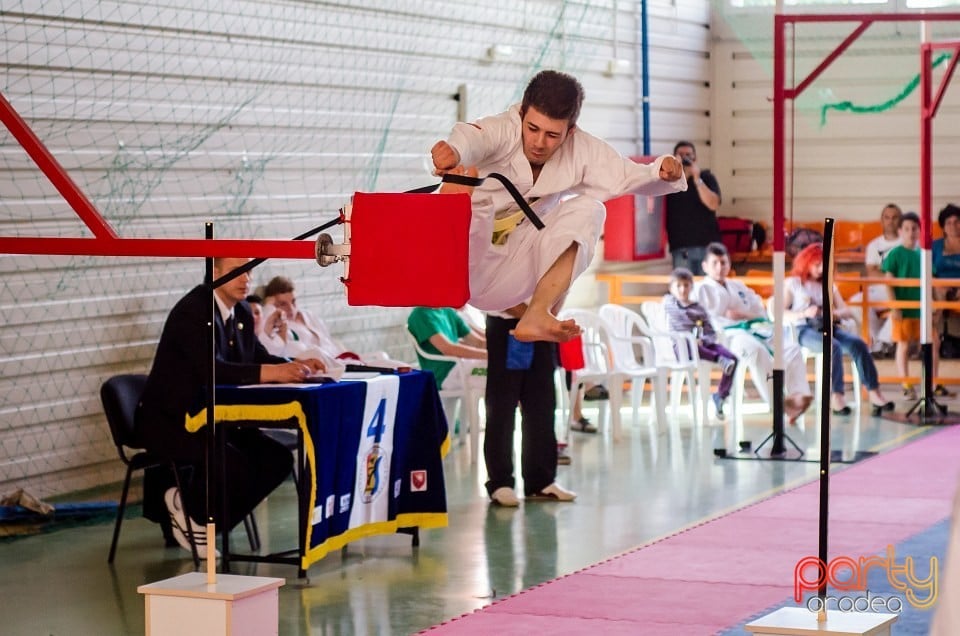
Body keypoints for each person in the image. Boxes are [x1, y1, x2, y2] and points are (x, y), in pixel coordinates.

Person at [430, 69, 685, 345]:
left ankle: (538, 312)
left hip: (509, 276)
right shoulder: (502, 130)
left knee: (590, 209)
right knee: (473, 205)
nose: (539, 143)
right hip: (460, 262)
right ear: (521, 116)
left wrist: (660, 172)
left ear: (570, 131)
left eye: (552, 135)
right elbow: (472, 138)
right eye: (533, 129)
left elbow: (627, 175)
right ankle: (454, 209)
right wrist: (454, 152)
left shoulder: (582, 151)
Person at [136, 258, 325, 558]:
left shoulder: (240, 312)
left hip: (216, 418)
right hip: (173, 421)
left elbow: (255, 357)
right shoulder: (194, 311)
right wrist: (271, 373)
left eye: (249, 271)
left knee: (276, 459)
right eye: (237, 271)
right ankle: (190, 512)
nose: (246, 278)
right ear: (215, 273)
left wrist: (295, 366)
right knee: (230, 460)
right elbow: (212, 370)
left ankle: (209, 523)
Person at [696, 242, 813, 423]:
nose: (720, 268)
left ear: (729, 264)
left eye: (723, 262)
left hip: (755, 328)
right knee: (756, 352)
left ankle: (798, 396)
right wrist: (728, 317)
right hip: (728, 337)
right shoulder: (701, 290)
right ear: (705, 266)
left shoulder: (738, 285)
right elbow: (702, 320)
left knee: (791, 348)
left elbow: (759, 310)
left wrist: (741, 314)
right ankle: (779, 405)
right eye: (715, 263)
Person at [784, 243, 893, 416]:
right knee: (832, 346)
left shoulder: (829, 285)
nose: (821, 269)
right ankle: (837, 395)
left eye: (824, 265)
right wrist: (804, 312)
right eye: (817, 264)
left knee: (858, 344)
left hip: (828, 324)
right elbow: (781, 312)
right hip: (803, 328)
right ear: (806, 262)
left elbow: (846, 310)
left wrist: (833, 313)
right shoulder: (794, 284)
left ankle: (874, 391)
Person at [483, 303, 574, 506]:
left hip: (541, 327)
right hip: (506, 325)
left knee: (542, 405)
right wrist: (539, 316)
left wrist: (550, 319)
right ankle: (500, 483)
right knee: (502, 407)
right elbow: (500, 294)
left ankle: (541, 481)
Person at [883, 212, 952, 399]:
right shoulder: (895, 254)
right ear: (900, 231)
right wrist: (894, 306)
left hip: (922, 309)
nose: (911, 232)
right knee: (904, 345)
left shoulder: (923, 255)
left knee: (934, 343)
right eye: (906, 229)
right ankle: (906, 384)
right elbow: (888, 282)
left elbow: (933, 282)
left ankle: (933, 382)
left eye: (914, 228)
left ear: (920, 231)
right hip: (904, 308)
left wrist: (936, 306)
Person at [663, 267, 738, 420]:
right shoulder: (669, 303)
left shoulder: (698, 308)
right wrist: (691, 339)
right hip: (682, 346)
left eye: (686, 285)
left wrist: (703, 339)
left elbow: (708, 330)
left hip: (701, 343)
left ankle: (721, 395)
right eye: (678, 286)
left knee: (733, 359)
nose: (682, 289)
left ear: (691, 287)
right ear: (671, 288)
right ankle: (718, 359)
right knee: (690, 344)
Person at [664, 141, 722, 276]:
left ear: (695, 158)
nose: (685, 159)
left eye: (689, 155)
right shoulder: (669, 182)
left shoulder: (706, 178)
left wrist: (697, 179)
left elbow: (713, 204)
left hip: (707, 247)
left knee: (708, 290)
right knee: (684, 289)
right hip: (681, 247)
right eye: (681, 156)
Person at [852, 203, 902, 354]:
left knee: (905, 302)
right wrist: (892, 275)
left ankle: (881, 343)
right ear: (882, 220)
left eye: (894, 218)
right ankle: (880, 343)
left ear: (900, 220)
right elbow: (871, 273)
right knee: (855, 302)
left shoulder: (908, 242)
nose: (890, 221)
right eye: (887, 217)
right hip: (880, 289)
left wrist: (884, 272)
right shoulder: (874, 245)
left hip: (902, 289)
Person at [407, 306, 487, 391]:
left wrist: (500, 349)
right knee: (497, 373)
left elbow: (479, 342)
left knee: (499, 369)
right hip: (445, 374)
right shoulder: (420, 315)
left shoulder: (448, 310)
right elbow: (448, 349)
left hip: (462, 366)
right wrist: (491, 356)